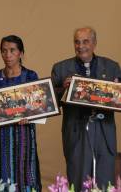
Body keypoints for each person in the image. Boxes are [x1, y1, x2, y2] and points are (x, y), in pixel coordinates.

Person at [51, 27, 121, 191]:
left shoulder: (112, 67)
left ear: (94, 43)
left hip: (104, 130)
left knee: (105, 179)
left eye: (85, 41)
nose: (80, 46)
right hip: (76, 131)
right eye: (77, 42)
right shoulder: (60, 68)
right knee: (78, 177)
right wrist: (63, 89)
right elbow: (49, 102)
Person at [0, 35, 41, 191]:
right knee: (0, 173)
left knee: (24, 175)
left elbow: (38, 106)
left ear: (21, 53)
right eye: (4, 51)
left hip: (23, 135)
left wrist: (30, 116)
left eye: (12, 50)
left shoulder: (31, 76)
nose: (7, 55)